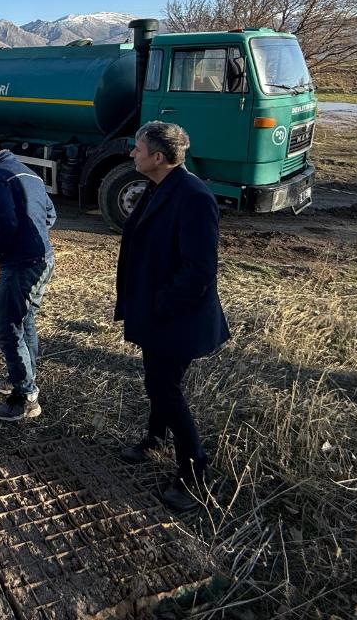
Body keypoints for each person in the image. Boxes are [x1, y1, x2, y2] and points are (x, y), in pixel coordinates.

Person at [114, 121, 230, 513]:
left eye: (138, 149)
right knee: (157, 381)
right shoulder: (158, 186)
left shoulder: (194, 196)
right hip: (157, 312)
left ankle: (194, 473)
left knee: (166, 389)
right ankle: (153, 440)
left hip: (176, 317)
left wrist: (159, 306)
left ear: (159, 158)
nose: (132, 154)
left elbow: (198, 270)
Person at [0, 137, 57, 422]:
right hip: (43, 258)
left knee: (7, 327)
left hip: (20, 264)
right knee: (25, 320)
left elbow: (3, 221)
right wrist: (34, 238)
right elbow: (51, 215)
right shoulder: (26, 170)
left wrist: (3, 251)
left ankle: (25, 396)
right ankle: (24, 378)